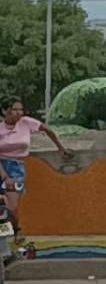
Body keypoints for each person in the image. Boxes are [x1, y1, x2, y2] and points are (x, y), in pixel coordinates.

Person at [0, 96, 73, 238]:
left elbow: (47, 130)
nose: (19, 113)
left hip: (16, 169)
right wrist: (4, 176)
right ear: (5, 111)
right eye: (15, 109)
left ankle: (16, 229)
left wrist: (60, 148)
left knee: (12, 208)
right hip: (1, 166)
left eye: (21, 109)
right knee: (1, 209)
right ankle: (4, 243)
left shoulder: (26, 123)